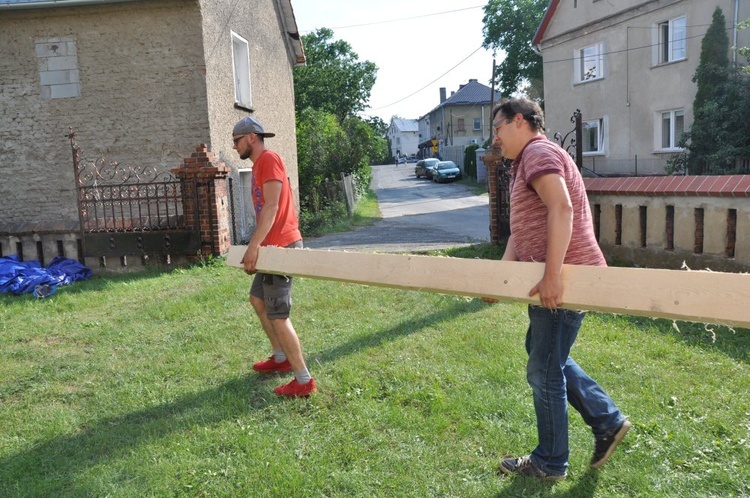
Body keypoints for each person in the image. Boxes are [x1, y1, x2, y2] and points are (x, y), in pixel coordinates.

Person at [492, 98, 630, 480]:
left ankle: (550, 462)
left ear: (519, 121)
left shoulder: (537, 152)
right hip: (559, 277)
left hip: (564, 278)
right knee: (544, 356)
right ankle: (607, 420)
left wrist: (554, 275)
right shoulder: (527, 162)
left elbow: (562, 208)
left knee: (544, 369)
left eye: (498, 128)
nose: (496, 139)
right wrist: (496, 281)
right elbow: (521, 233)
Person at [232, 116, 316, 398]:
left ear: (251, 137)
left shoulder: (269, 159)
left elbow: (271, 207)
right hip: (270, 246)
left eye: (236, 141)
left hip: (281, 246)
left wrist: (253, 247)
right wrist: (258, 246)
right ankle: (280, 359)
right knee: (258, 299)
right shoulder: (257, 166)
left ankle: (303, 380)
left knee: (278, 314)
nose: (234, 147)